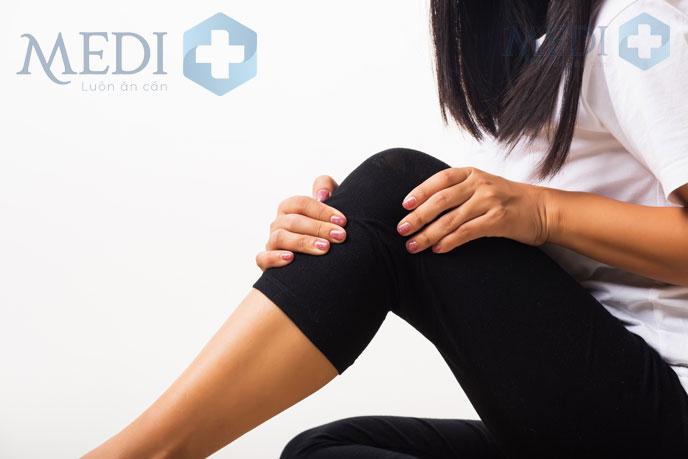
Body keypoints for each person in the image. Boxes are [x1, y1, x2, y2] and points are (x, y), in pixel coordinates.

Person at [82, 0, 688, 457]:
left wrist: (542, 212)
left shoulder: (636, 27)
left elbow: (512, 215)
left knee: (393, 190)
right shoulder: (532, 52)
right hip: (596, 411)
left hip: (666, 410)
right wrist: (331, 238)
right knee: (325, 451)